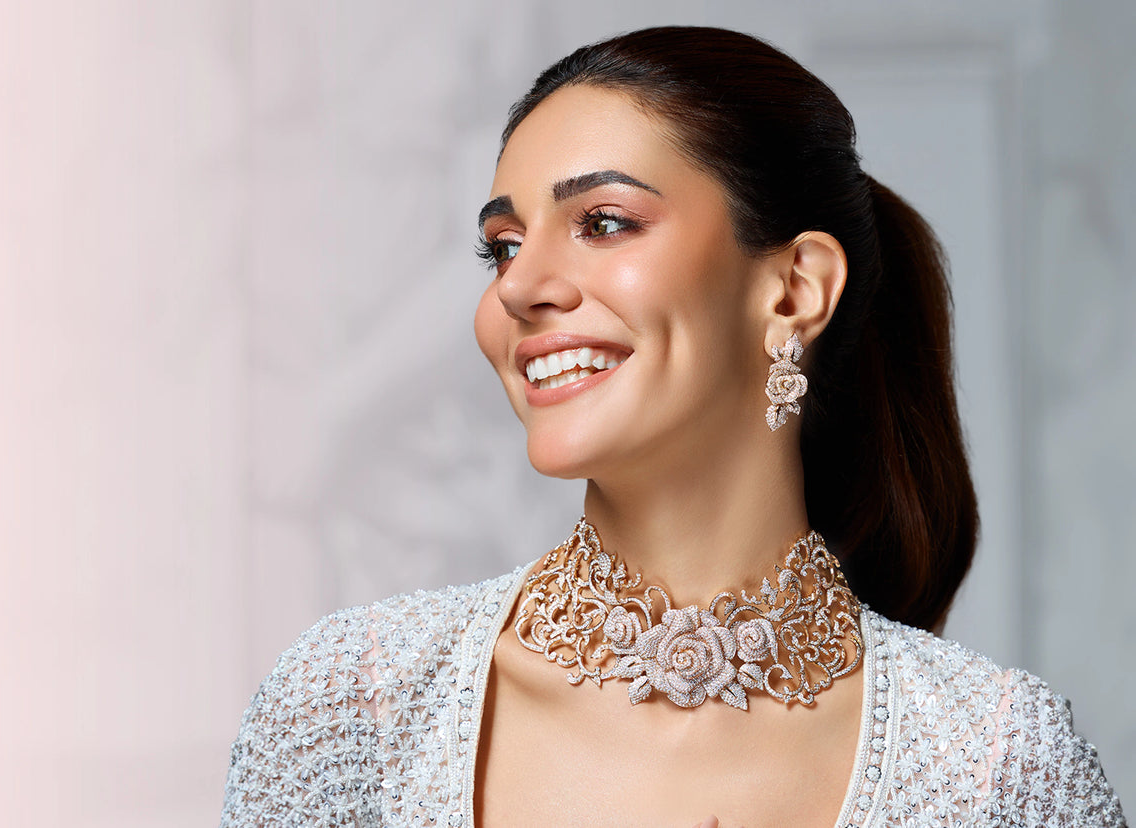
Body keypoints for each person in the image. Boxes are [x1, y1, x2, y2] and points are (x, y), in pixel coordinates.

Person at [220, 26, 1127, 828]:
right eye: (501, 245)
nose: (518, 286)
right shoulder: (354, 709)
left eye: (603, 223)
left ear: (794, 287)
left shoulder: (994, 769)